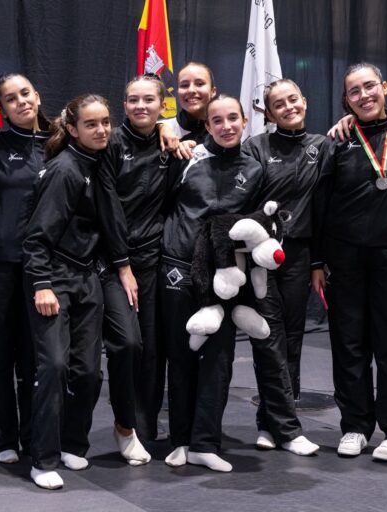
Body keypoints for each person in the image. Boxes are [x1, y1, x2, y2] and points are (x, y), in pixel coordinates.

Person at [312, 63, 387, 462]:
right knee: (349, 346)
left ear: (385, 87)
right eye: (354, 92)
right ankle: (355, 425)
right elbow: (320, 205)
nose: (363, 96)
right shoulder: (336, 142)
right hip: (345, 261)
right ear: (346, 100)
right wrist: (318, 261)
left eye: (369, 87)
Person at [161, 94, 263, 472]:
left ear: (244, 121)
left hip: (224, 275)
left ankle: (206, 442)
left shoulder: (254, 169)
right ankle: (180, 440)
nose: (226, 126)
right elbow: (162, 204)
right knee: (180, 354)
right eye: (217, 120)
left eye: (233, 119)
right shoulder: (187, 158)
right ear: (207, 125)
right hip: (178, 266)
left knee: (218, 359)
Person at [22, 94, 111, 489]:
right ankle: (42, 459)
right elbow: (37, 237)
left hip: (88, 278)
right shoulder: (64, 170)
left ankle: (74, 443)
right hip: (54, 278)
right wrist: (43, 284)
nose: (101, 129)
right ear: (72, 129)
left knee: (89, 371)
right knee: (54, 367)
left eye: (106, 121)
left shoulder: (97, 161)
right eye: (91, 124)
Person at [96, 75, 177, 463]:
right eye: (132, 100)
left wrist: (174, 136)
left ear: (162, 105)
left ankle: (143, 430)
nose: (140, 106)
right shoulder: (109, 144)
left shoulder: (168, 145)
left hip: (155, 261)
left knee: (152, 350)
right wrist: (121, 262)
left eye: (148, 100)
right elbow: (107, 206)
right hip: (114, 261)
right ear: (123, 104)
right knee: (127, 346)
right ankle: (124, 424)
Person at [242, 79, 324, 456]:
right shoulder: (255, 147)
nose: (288, 107)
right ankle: (283, 426)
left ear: (304, 101)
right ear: (269, 113)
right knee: (267, 338)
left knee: (291, 339)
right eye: (279, 104)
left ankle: (272, 422)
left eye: (294, 99)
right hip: (261, 257)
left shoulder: (322, 146)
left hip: (299, 256)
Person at [0, 74, 48, 465]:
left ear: (37, 96)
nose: (20, 102)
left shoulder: (60, 142)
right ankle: (0, 439)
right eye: (9, 98)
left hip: (44, 273)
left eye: (25, 94)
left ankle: (36, 437)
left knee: (37, 359)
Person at [162, 61, 217, 143]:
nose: (191, 90)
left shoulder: (225, 130)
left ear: (213, 91)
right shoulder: (161, 130)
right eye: (184, 85)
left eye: (199, 84)